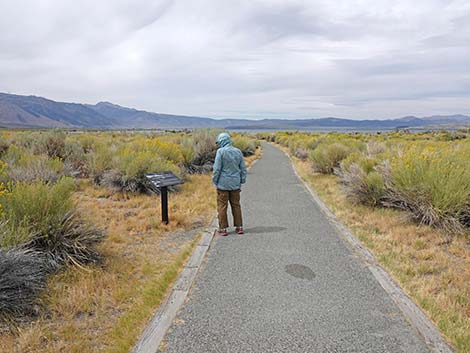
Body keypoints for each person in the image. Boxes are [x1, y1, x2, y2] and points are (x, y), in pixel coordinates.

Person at [212, 132, 247, 236]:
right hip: (235, 184)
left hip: (223, 184)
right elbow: (243, 168)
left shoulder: (220, 152)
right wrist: (242, 180)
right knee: (236, 205)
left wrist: (215, 180)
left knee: (222, 206)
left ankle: (223, 229)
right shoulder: (238, 151)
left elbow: (217, 169)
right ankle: (239, 227)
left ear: (222, 141)